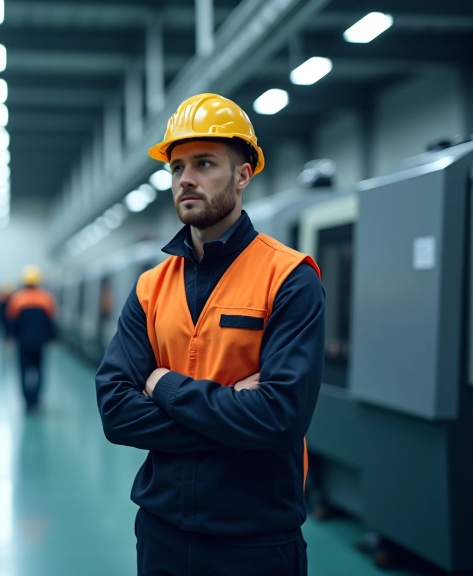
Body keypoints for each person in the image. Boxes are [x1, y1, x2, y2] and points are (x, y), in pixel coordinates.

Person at [94, 93, 326, 576]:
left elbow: (280, 418)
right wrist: (235, 420)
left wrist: (163, 386)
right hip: (162, 533)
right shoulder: (151, 287)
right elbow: (116, 413)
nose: (186, 180)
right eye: (177, 168)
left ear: (243, 174)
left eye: (204, 164)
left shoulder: (289, 277)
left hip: (256, 541)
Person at [6, 265, 56, 412]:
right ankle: (36, 401)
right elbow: (50, 322)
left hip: (22, 343)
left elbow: (11, 322)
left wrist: (9, 338)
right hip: (40, 343)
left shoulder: (17, 298)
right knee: (39, 371)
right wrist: (52, 338)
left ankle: (27, 402)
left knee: (23, 372)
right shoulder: (46, 298)